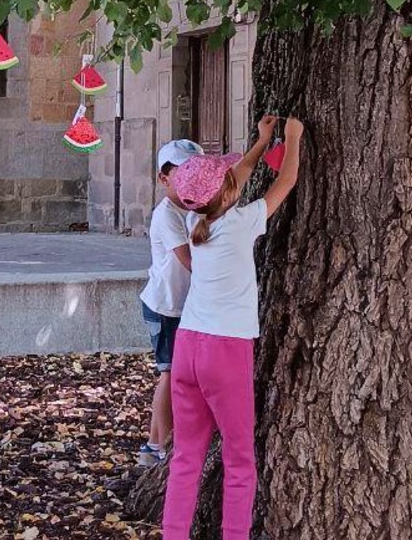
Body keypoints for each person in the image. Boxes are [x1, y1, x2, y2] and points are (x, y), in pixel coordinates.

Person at [161, 115, 305, 540]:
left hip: (188, 346)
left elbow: (234, 178)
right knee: (239, 460)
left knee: (186, 457)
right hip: (225, 351)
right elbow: (287, 181)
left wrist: (261, 143)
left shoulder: (195, 221)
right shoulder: (241, 224)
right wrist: (291, 139)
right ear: (226, 192)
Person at [137, 138, 205, 466]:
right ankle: (155, 444)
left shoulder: (194, 209)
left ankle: (157, 442)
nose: (192, 177)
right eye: (184, 171)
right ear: (165, 179)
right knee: (169, 372)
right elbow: (188, 259)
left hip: (184, 305)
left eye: (198, 170)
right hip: (166, 307)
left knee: (179, 372)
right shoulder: (167, 214)